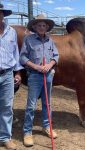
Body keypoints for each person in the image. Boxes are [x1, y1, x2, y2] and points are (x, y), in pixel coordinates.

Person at [20, 14, 59, 147]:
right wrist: (36, 66)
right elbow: (23, 58)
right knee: (31, 105)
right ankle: (27, 132)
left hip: (48, 75)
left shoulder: (50, 40)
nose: (42, 27)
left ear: (47, 27)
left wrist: (50, 64)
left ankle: (47, 126)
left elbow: (56, 56)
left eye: (44, 25)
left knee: (47, 103)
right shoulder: (28, 39)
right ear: (35, 27)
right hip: (35, 76)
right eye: (39, 25)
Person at [0, 4, 22, 150]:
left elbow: (16, 53)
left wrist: (18, 72)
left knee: (7, 107)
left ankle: (5, 137)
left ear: (3, 15)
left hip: (7, 74)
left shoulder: (12, 32)